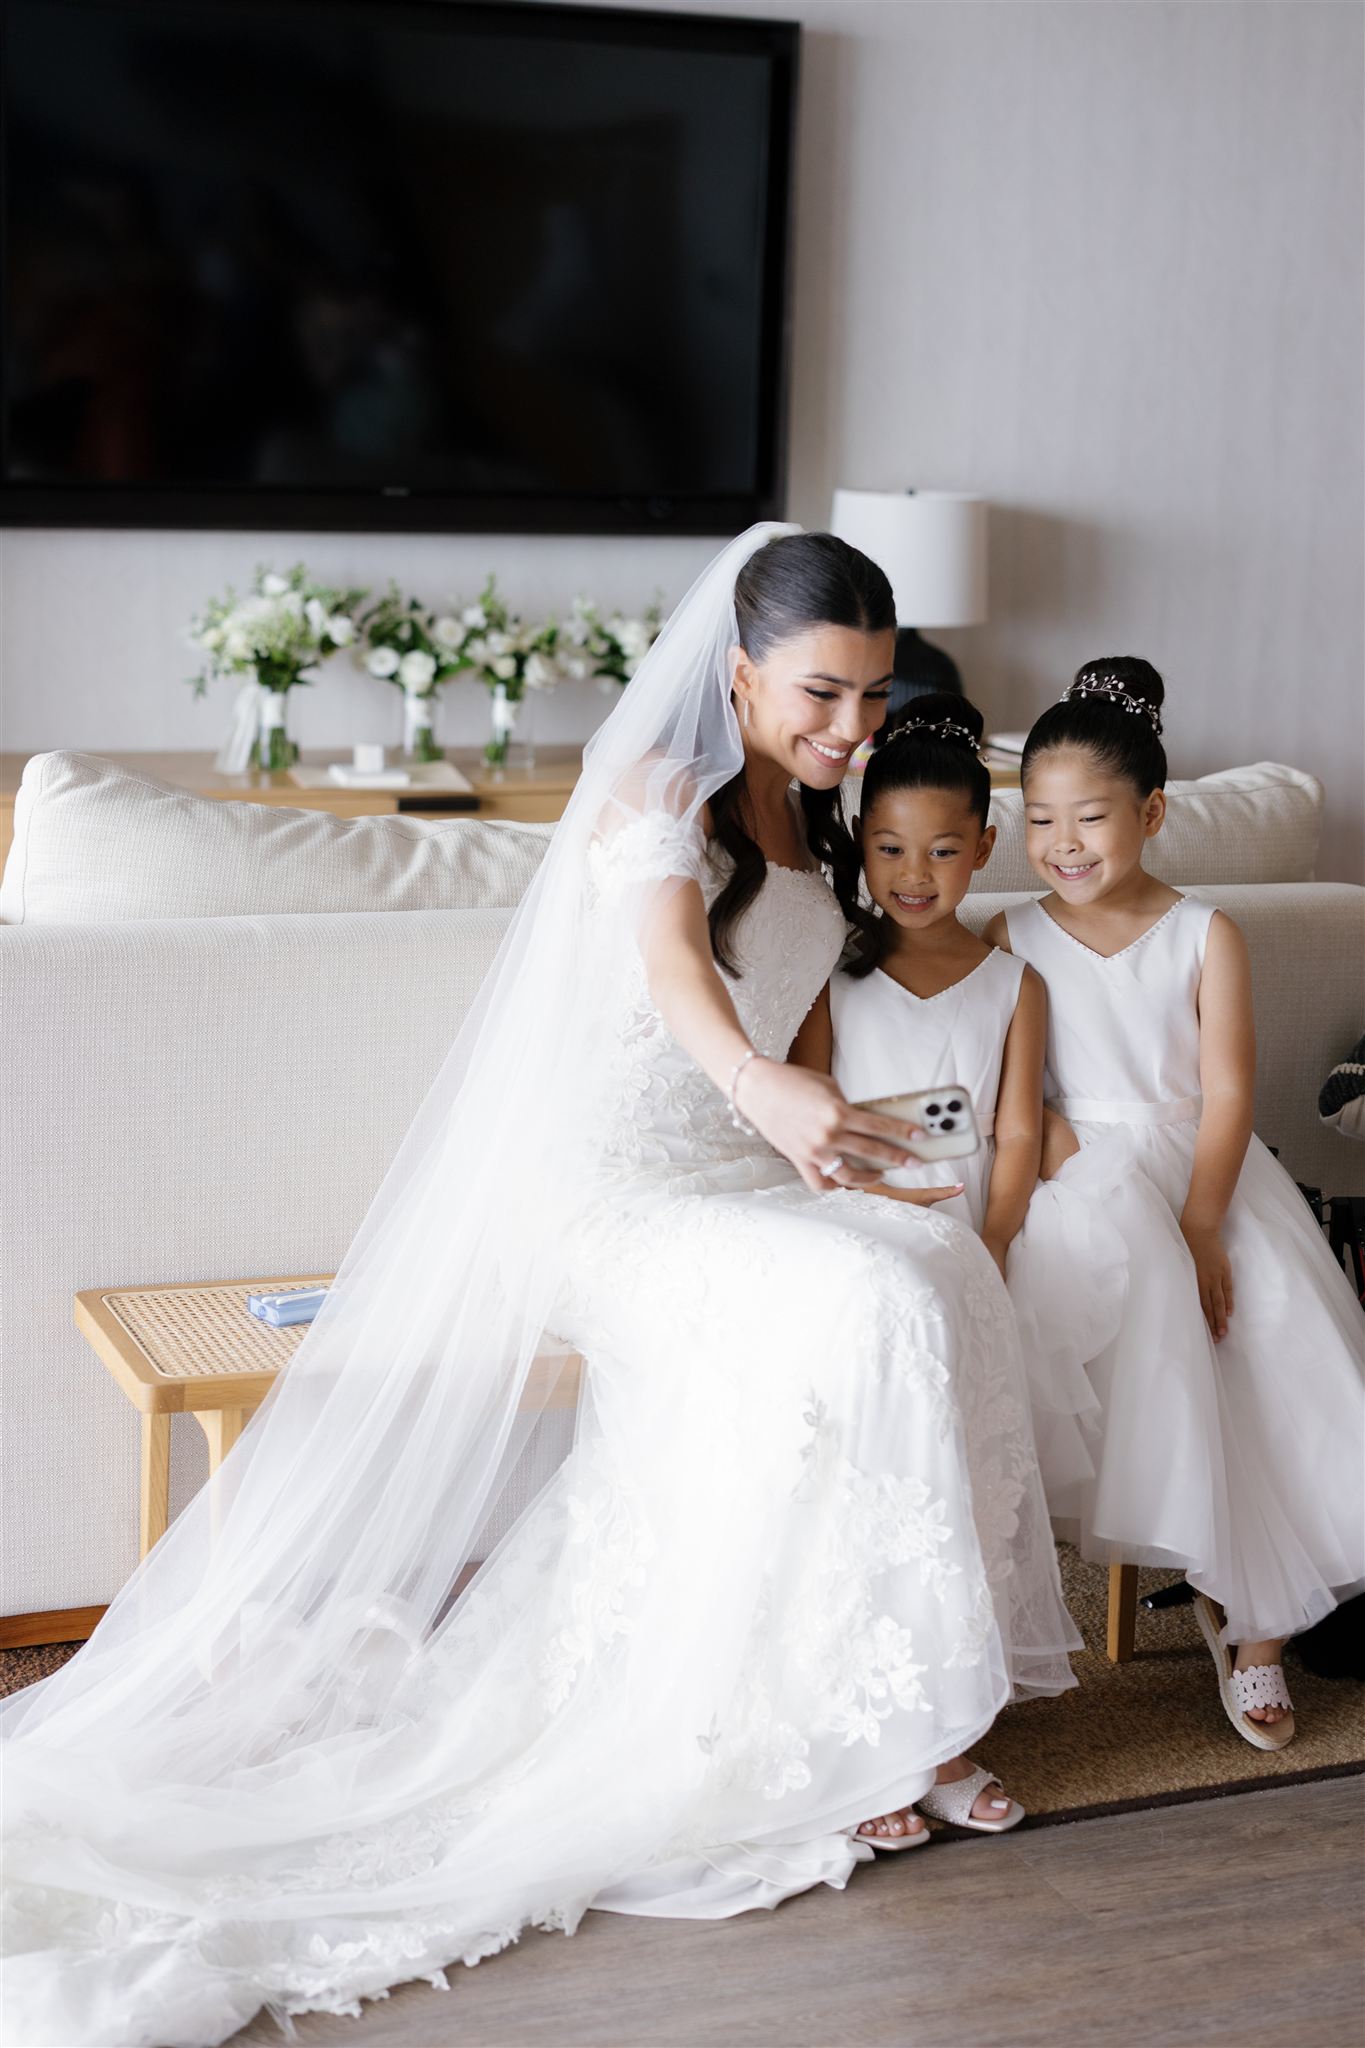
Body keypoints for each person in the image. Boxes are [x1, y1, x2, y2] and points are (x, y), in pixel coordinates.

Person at [1, 529, 1077, 2048]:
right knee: (871, 1308)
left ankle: (919, 1698)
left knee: (936, 1257)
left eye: (872, 695)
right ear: (740, 670)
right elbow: (673, 975)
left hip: (740, 1174)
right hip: (607, 1194)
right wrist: (756, 1088)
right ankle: (867, 1746)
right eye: (820, 694)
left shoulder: (828, 818)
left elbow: (804, 1009)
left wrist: (837, 1144)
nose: (848, 730)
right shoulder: (657, 796)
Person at [988, 657, 1365, 1749]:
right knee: (1156, 1360)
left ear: (1151, 812)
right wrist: (1078, 1171)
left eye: (1090, 817)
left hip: (1205, 1170)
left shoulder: (1208, 933)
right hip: (1080, 1178)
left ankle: (1256, 1633)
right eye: (1039, 818)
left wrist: (1201, 1224)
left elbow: (1230, 1093)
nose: (1062, 842)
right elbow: (1014, 1087)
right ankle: (1214, 1581)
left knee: (1272, 1346)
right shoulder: (1012, 934)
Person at [798, 692, 1121, 1520]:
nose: (913, 874)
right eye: (889, 848)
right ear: (860, 845)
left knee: (966, 1401)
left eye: (941, 851)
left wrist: (996, 1237)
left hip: (973, 1208)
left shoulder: (1015, 982)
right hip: (857, 1210)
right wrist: (861, 1191)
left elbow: (1016, 1128)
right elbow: (808, 1111)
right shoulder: (830, 973)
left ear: (981, 848)